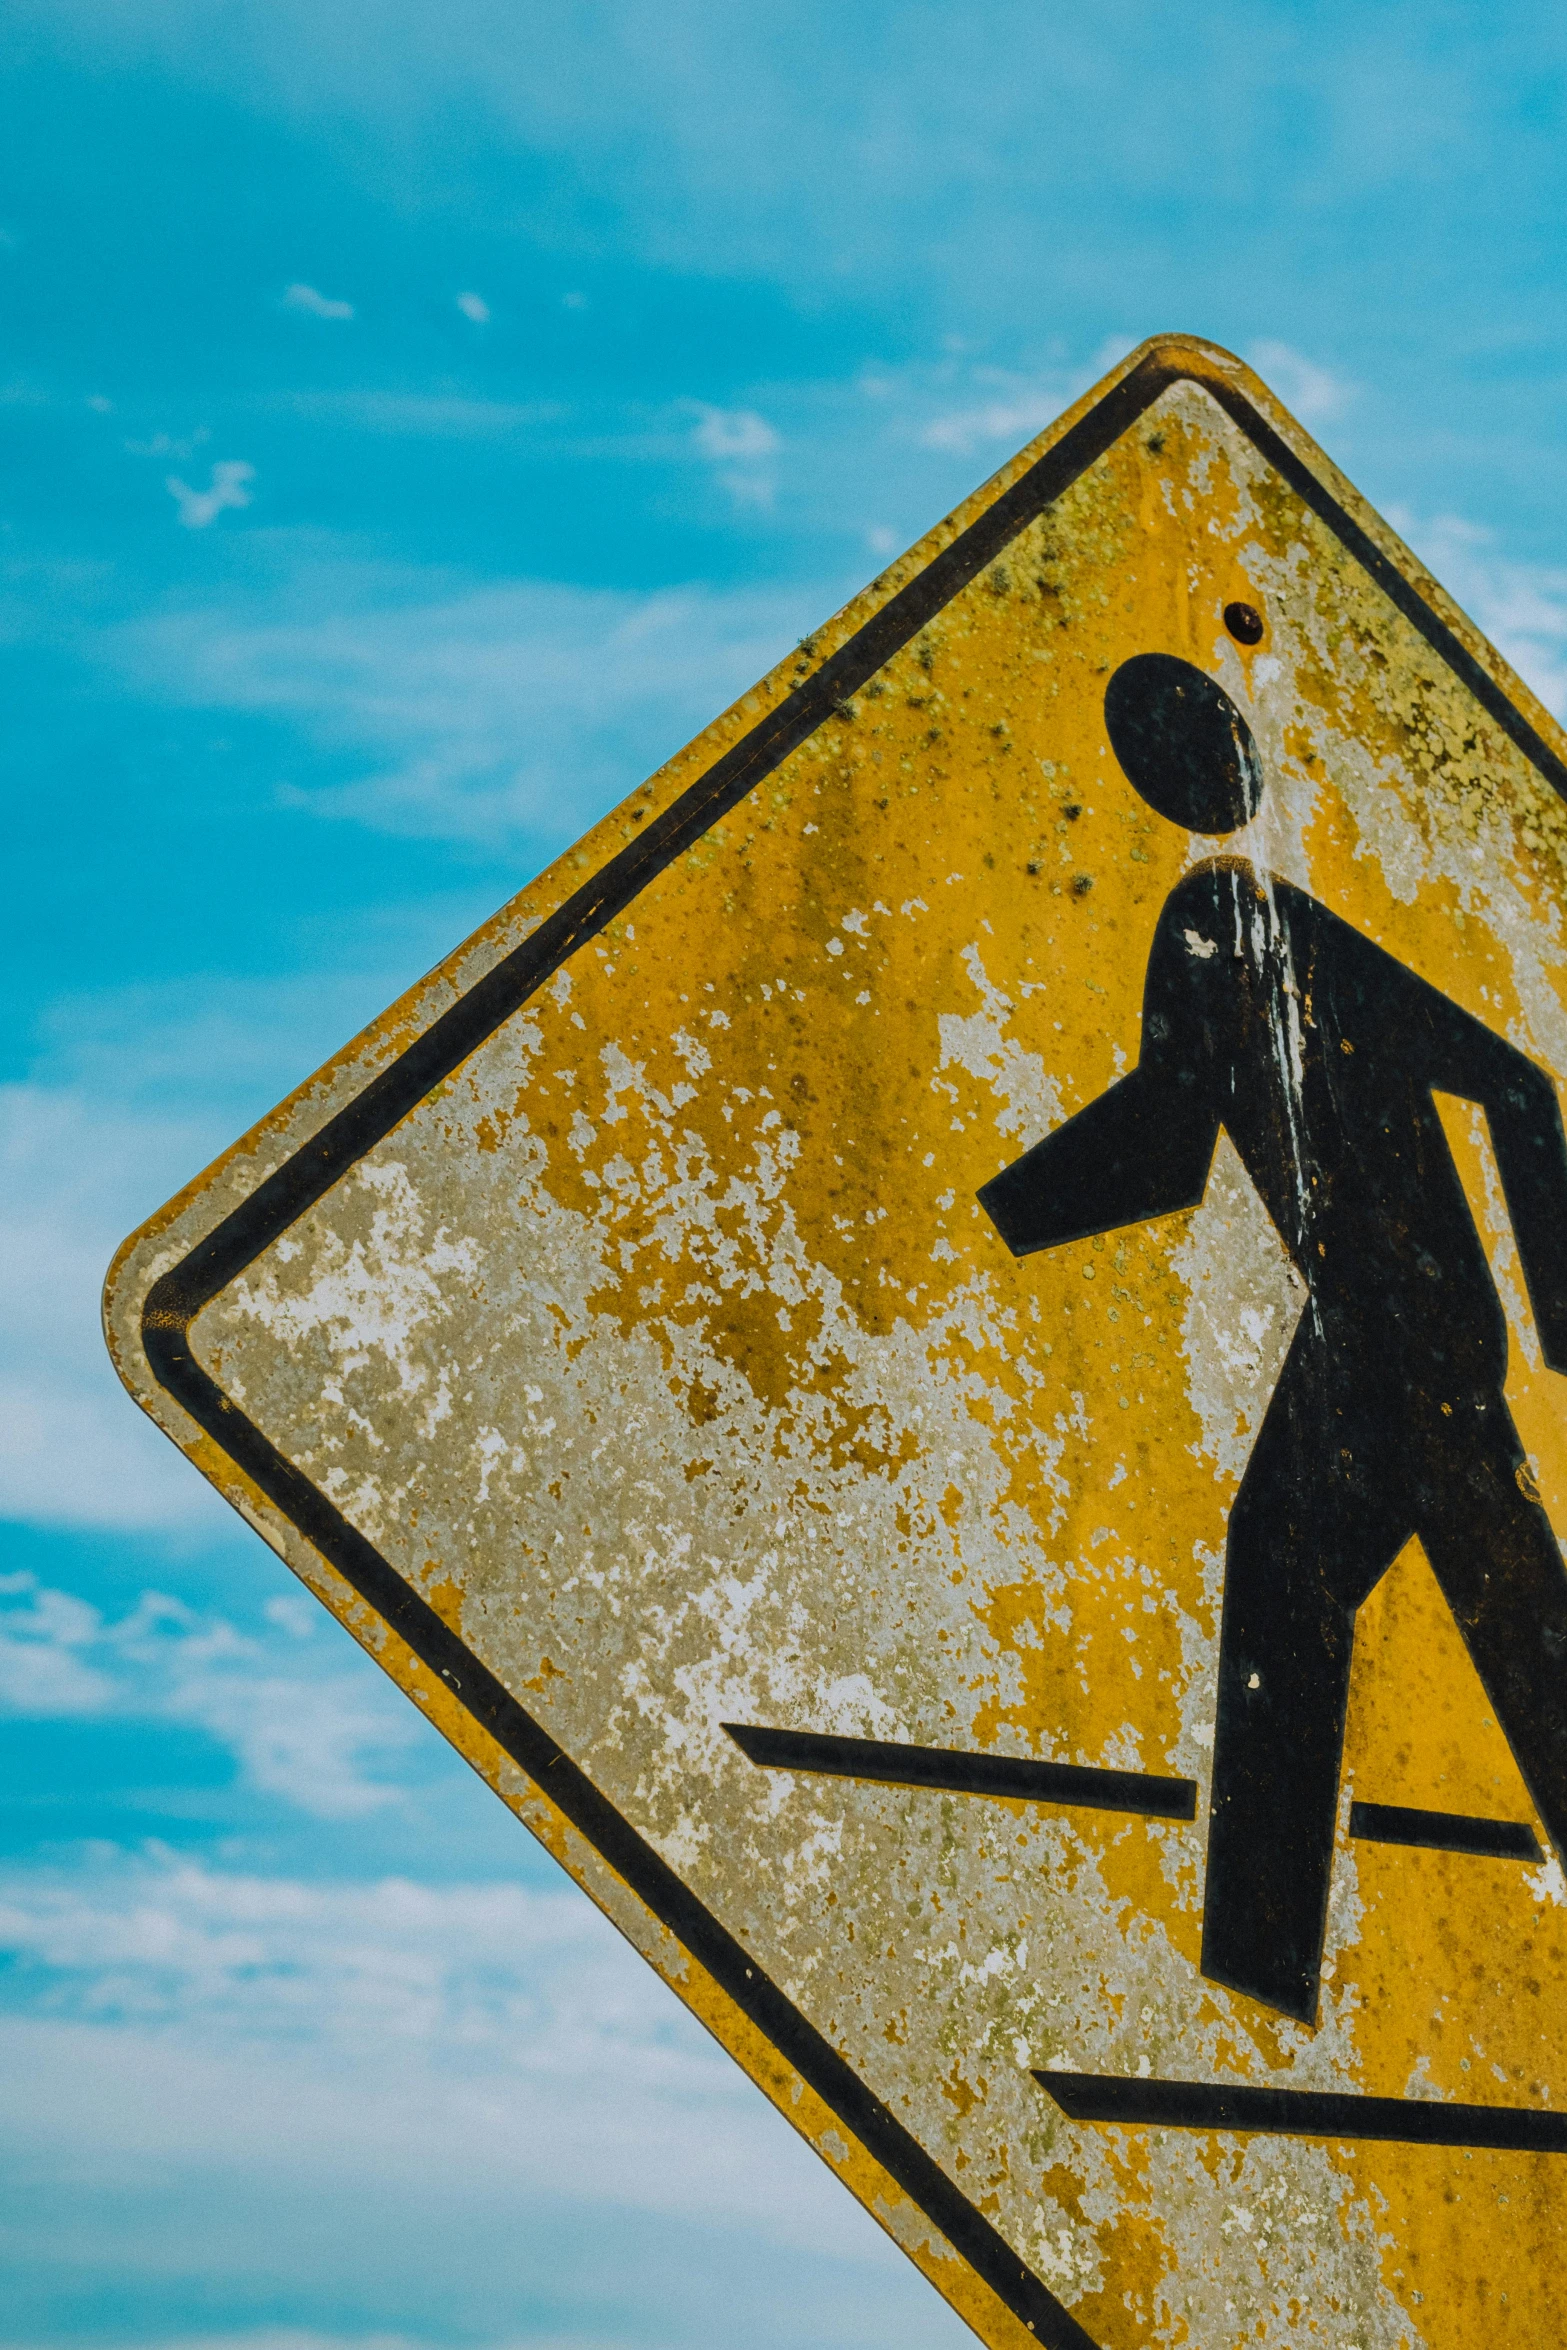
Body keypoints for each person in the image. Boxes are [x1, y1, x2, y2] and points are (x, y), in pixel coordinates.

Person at [979, 652, 1567, 2025]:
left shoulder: (1255, 919)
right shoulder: (1214, 923)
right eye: (1154, 743)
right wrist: (993, 1215)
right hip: (1379, 1332)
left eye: (1186, 736)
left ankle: (1253, 1969)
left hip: (1406, 1335)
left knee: (1342, 1601)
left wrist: (1563, 1326)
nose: (1181, 762)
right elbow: (1169, 1142)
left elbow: (1512, 1081)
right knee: (1433, 1617)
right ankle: (1255, 1971)